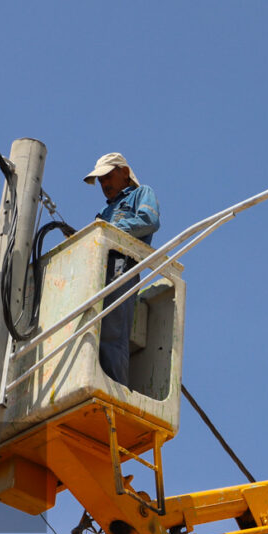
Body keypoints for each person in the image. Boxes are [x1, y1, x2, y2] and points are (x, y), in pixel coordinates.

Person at [84, 153, 160, 387]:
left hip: (122, 265)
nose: (104, 184)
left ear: (124, 173)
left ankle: (113, 389)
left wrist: (111, 227)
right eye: (100, 180)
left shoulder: (141, 193)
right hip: (100, 267)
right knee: (92, 330)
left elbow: (149, 221)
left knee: (112, 332)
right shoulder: (106, 210)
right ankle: (96, 383)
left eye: (107, 176)